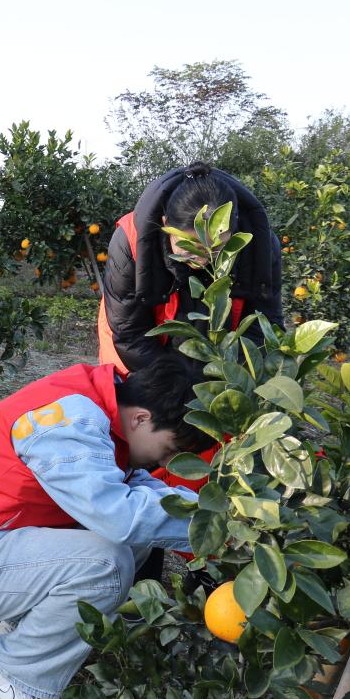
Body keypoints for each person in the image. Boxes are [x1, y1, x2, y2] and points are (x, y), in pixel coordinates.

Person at [0, 356, 214, 699]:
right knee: (108, 563)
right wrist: (221, 527)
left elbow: (137, 493)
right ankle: (11, 676)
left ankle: (20, 633)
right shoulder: (71, 424)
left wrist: (220, 513)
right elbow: (118, 515)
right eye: (167, 451)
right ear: (142, 418)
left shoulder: (102, 404)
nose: (164, 462)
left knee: (133, 542)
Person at [96, 161, 283, 580]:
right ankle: (138, 578)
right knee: (145, 449)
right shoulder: (131, 238)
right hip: (141, 349)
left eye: (216, 250)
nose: (204, 261)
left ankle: (210, 574)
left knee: (219, 454)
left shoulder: (258, 246)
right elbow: (128, 330)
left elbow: (264, 325)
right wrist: (179, 395)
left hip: (217, 352)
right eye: (190, 248)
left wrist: (228, 385)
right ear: (165, 226)